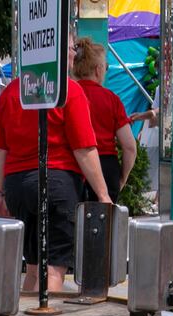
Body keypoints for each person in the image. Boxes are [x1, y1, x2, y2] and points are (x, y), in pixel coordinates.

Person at [0, 34, 111, 293]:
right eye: (70, 49)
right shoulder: (68, 90)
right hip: (57, 183)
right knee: (54, 270)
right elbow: (84, 149)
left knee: (33, 267)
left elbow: (0, 151)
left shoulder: (11, 92)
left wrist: (0, 195)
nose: (74, 55)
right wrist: (103, 195)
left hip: (17, 186)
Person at [72, 37, 137, 203]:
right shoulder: (111, 99)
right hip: (106, 167)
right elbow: (129, 147)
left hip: (72, 167)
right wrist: (121, 178)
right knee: (103, 226)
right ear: (98, 69)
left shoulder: (67, 96)